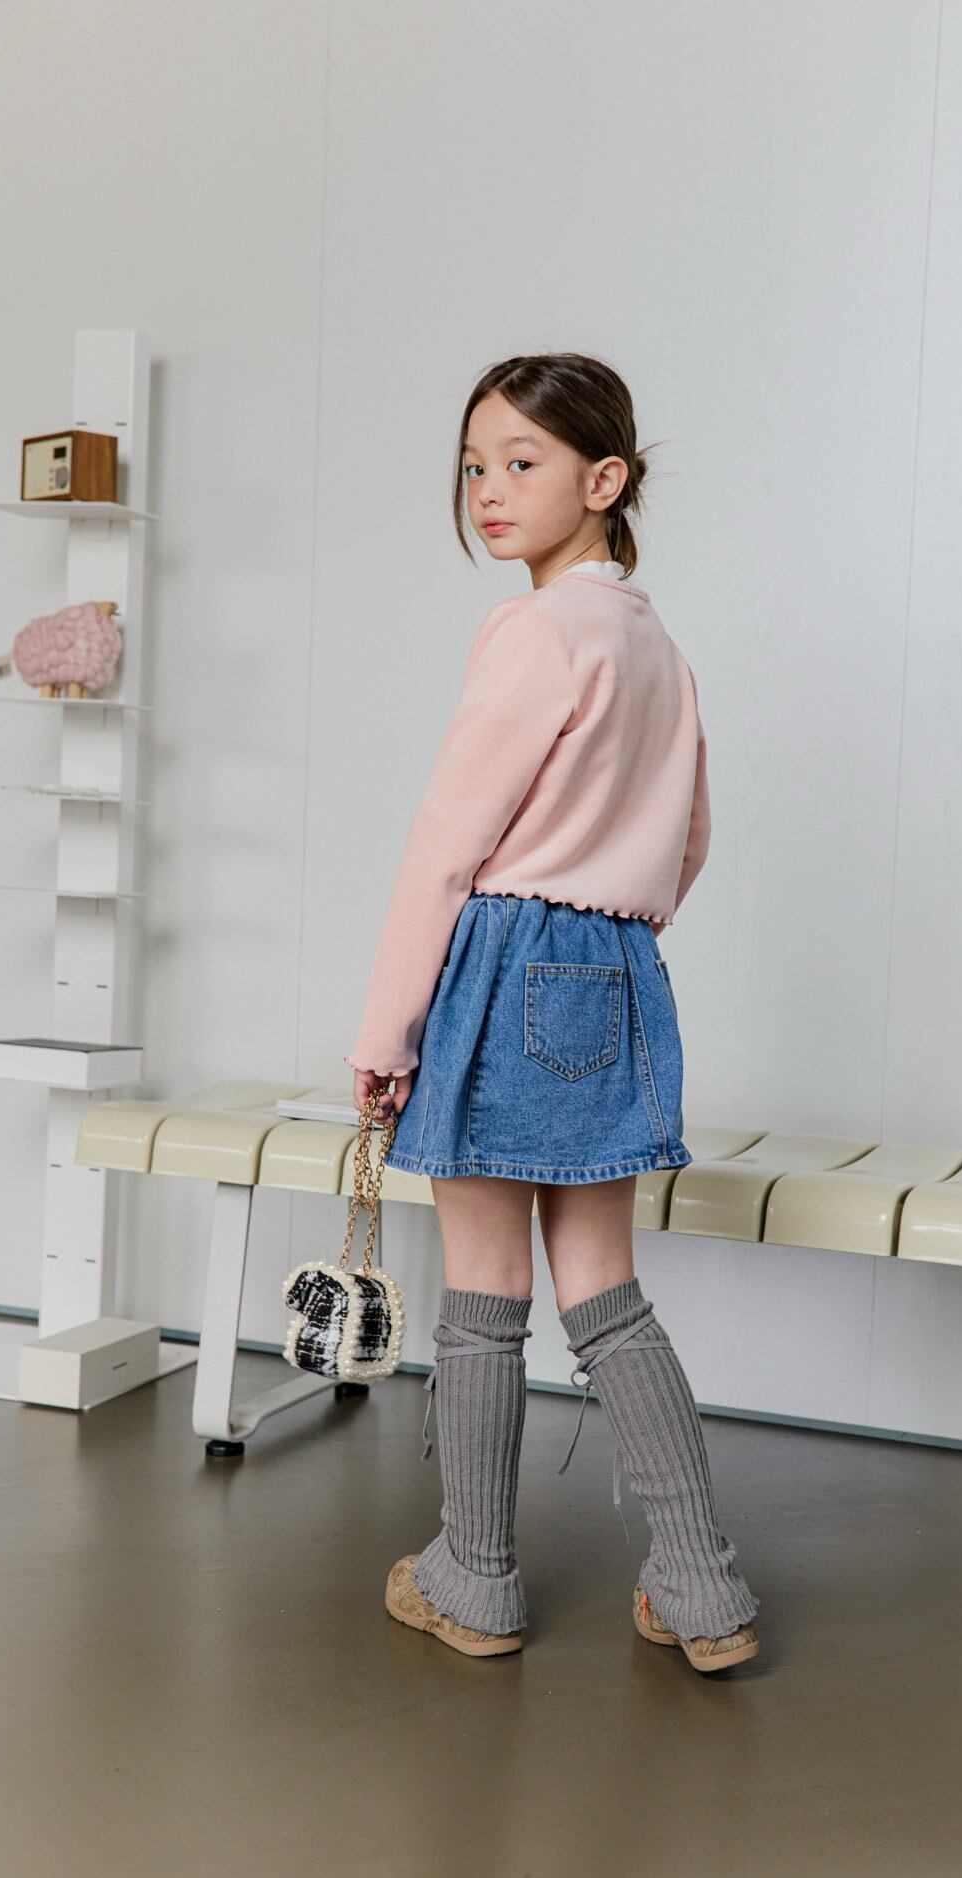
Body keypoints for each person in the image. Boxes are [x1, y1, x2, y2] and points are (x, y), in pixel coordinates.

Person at [347, 352, 760, 1674]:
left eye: (522, 462)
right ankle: (701, 1589)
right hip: (619, 968)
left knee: (484, 1290)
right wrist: (613, 926)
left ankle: (475, 1577)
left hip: (505, 959)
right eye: (475, 464)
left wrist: (387, 1029)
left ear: (604, 479)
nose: (489, 489)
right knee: (607, 1291)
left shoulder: (534, 631)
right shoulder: (656, 644)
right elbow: (689, 839)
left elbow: (446, 845)